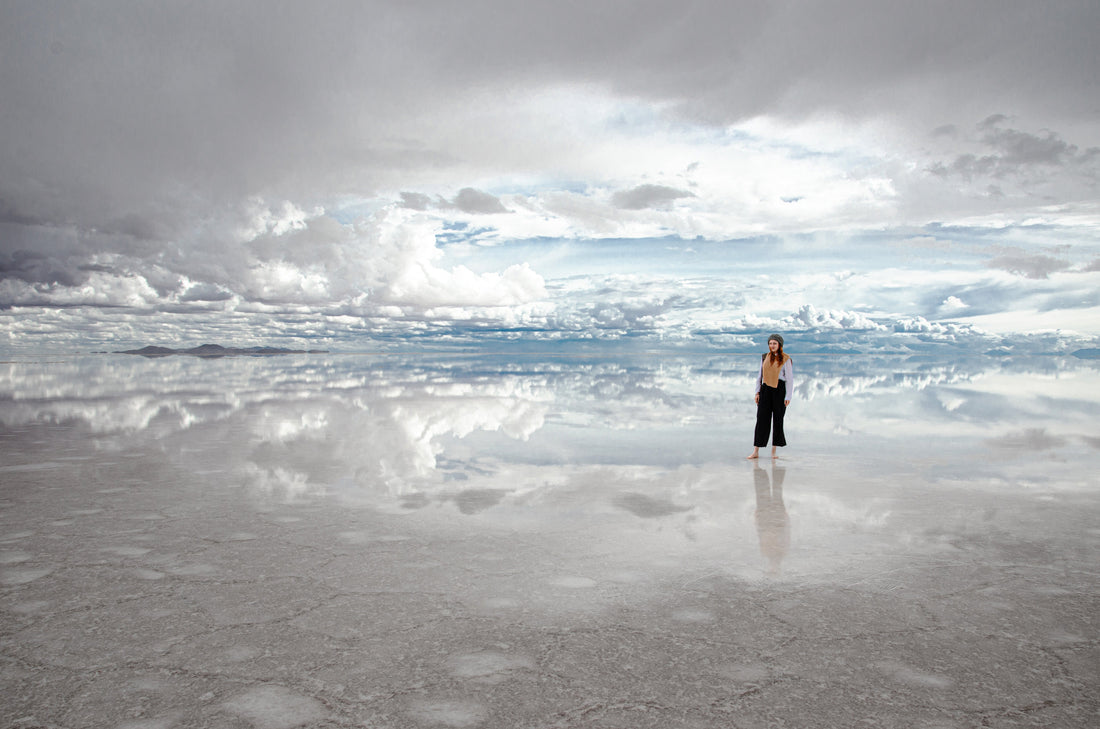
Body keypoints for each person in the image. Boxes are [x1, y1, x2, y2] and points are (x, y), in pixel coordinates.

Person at [747, 333, 792, 460]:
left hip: (780, 390)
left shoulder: (786, 359)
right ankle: (756, 451)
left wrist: (788, 396)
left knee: (778, 420)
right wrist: (757, 392)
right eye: (770, 343)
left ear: (779, 345)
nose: (772, 346)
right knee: (761, 420)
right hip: (765, 390)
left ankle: (773, 452)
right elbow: (759, 376)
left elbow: (790, 379)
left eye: (775, 343)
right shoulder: (764, 357)